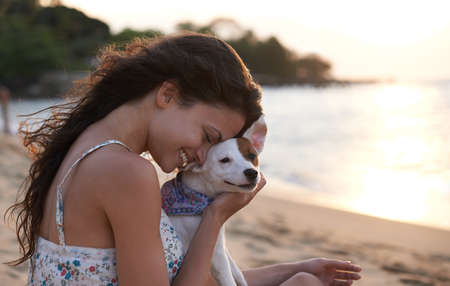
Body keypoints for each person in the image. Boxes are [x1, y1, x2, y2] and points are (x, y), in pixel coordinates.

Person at [4, 33, 362, 285]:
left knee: (303, 280)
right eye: (208, 136)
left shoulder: (85, 148)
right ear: (168, 94)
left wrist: (293, 268)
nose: (203, 156)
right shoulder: (127, 173)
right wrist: (215, 216)